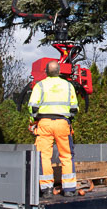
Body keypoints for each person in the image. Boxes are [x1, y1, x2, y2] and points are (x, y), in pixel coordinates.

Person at [27, 60, 80, 196]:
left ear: (46, 71)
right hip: (63, 123)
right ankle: (69, 189)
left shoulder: (40, 86)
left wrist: (34, 121)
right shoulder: (68, 86)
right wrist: (69, 119)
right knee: (67, 156)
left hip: (45, 123)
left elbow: (32, 106)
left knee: (44, 156)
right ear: (59, 71)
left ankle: (47, 189)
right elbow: (74, 108)